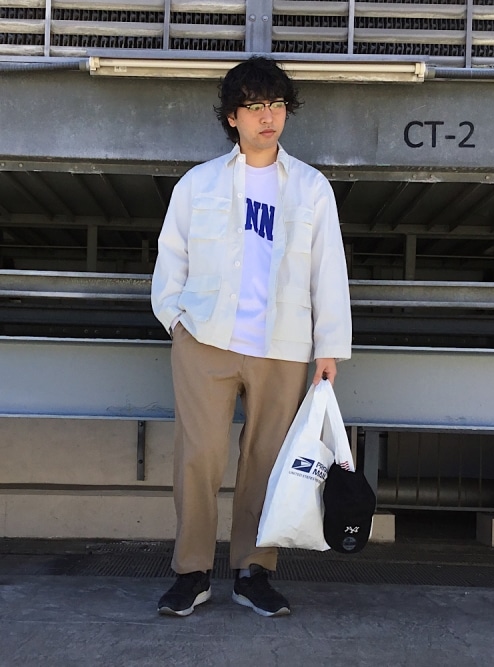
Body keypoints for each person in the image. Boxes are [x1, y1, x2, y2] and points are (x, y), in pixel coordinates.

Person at [151, 56, 352, 617]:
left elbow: (328, 269)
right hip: (206, 341)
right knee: (198, 458)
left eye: (277, 105)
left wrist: (329, 346)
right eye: (255, 106)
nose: (268, 117)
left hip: (282, 347)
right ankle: (191, 573)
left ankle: (253, 573)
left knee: (267, 461)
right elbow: (171, 256)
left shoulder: (311, 187)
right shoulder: (200, 183)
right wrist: (176, 321)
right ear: (232, 117)